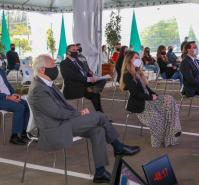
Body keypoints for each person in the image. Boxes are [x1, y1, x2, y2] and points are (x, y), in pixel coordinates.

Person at [28, 54, 140, 183]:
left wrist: (77, 112)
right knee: (100, 116)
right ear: (42, 69)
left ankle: (100, 172)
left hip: (64, 123)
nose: (56, 68)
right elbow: (56, 113)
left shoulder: (47, 84)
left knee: (98, 131)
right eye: (53, 65)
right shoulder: (38, 89)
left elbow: (63, 107)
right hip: (55, 128)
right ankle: (118, 147)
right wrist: (78, 114)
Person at [119, 50, 181, 147]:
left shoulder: (138, 72)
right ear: (129, 60)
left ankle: (173, 131)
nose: (138, 59)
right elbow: (136, 93)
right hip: (140, 103)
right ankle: (160, 139)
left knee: (170, 99)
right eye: (136, 58)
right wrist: (151, 97)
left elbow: (147, 89)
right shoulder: (127, 75)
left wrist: (156, 96)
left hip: (148, 99)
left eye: (139, 57)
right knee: (158, 117)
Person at [60, 44, 106, 112]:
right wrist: (88, 79)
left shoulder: (78, 61)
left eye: (77, 50)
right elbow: (73, 76)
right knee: (95, 94)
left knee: (103, 80)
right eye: (73, 50)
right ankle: (92, 89)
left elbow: (85, 72)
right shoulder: (64, 63)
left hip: (84, 84)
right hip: (74, 87)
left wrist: (92, 77)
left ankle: (101, 115)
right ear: (68, 52)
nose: (76, 51)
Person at [0, 68, 29, 145]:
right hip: (1, 98)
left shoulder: (1, 71)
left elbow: (8, 84)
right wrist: (7, 97)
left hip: (8, 96)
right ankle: (14, 136)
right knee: (19, 107)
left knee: (26, 104)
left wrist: (14, 93)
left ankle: (24, 132)